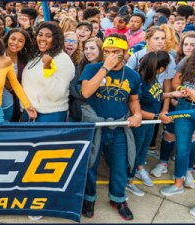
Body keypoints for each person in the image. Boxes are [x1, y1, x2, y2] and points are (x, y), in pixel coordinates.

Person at [80, 34, 142, 221]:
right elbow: (86, 92)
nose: (111, 55)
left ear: (125, 53)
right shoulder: (92, 68)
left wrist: (137, 114)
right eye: (107, 52)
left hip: (118, 126)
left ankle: (118, 198)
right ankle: (89, 198)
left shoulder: (132, 75)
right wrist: (105, 68)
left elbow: (134, 100)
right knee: (90, 165)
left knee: (119, 166)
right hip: (95, 125)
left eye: (116, 52)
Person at [126, 51, 184, 196]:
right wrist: (157, 116)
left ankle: (139, 169)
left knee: (143, 149)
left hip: (150, 123)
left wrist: (170, 94)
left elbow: (156, 94)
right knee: (134, 152)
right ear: (161, 69)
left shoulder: (152, 79)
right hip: (141, 124)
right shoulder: (139, 83)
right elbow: (134, 109)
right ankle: (128, 180)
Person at [161, 35, 195, 210]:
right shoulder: (189, 60)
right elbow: (176, 82)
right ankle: (178, 183)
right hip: (184, 107)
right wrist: (182, 90)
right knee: (182, 148)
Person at [21, 22, 75, 122]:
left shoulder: (63, 60)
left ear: (56, 39)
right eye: (40, 34)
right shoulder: (37, 56)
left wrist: (47, 68)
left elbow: (56, 95)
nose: (42, 39)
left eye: (48, 36)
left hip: (50, 115)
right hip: (30, 113)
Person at [2, 28, 33, 121]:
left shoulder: (26, 59)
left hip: (14, 100)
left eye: (20, 41)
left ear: (24, 44)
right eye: (13, 39)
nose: (15, 43)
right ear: (7, 39)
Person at [69, 37, 103, 122]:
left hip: (99, 112)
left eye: (92, 48)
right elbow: (73, 87)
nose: (88, 51)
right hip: (78, 113)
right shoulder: (79, 66)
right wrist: (84, 92)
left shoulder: (106, 68)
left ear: (100, 50)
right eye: (86, 49)